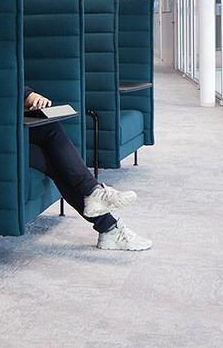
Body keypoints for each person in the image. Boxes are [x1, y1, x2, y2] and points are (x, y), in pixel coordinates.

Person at [25, 87, 152, 251]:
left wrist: (30, 96)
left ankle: (97, 200)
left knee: (51, 133)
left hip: (7, 126)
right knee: (56, 161)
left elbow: (5, 86)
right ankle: (106, 221)